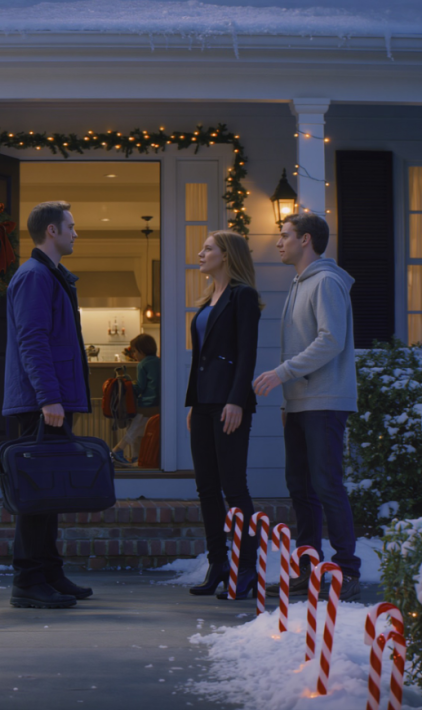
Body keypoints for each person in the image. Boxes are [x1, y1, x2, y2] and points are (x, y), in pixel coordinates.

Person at [253, 214, 361, 601]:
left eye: (284, 236)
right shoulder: (301, 284)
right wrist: (288, 400)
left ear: (306, 240)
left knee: (326, 484)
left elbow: (331, 340)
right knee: (300, 487)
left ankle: (347, 571)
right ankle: (308, 571)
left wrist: (282, 374)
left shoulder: (327, 282)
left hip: (326, 401)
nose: (278, 242)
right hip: (300, 404)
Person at [2, 201, 93, 609]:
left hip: (50, 400)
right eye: (71, 227)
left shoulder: (50, 275)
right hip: (42, 403)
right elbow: (32, 340)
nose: (76, 233)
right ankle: (27, 581)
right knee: (36, 495)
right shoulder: (34, 276)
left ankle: (50, 572)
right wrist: (48, 397)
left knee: (49, 492)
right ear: (52, 231)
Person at [185, 230, 262, 599]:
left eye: (208, 249)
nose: (201, 254)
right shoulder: (206, 301)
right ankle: (218, 564)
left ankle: (246, 568)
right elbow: (200, 360)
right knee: (205, 488)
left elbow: (247, 353)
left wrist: (236, 400)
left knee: (234, 487)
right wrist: (194, 405)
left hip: (230, 404)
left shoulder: (242, 296)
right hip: (203, 405)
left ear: (227, 255)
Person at [111, 333, 161, 467]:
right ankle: (136, 458)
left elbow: (140, 387)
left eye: (134, 351)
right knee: (140, 430)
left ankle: (117, 450)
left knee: (134, 428)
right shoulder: (159, 361)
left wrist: (128, 383)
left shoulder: (142, 365)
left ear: (142, 350)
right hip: (159, 403)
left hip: (147, 403)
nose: (133, 355)